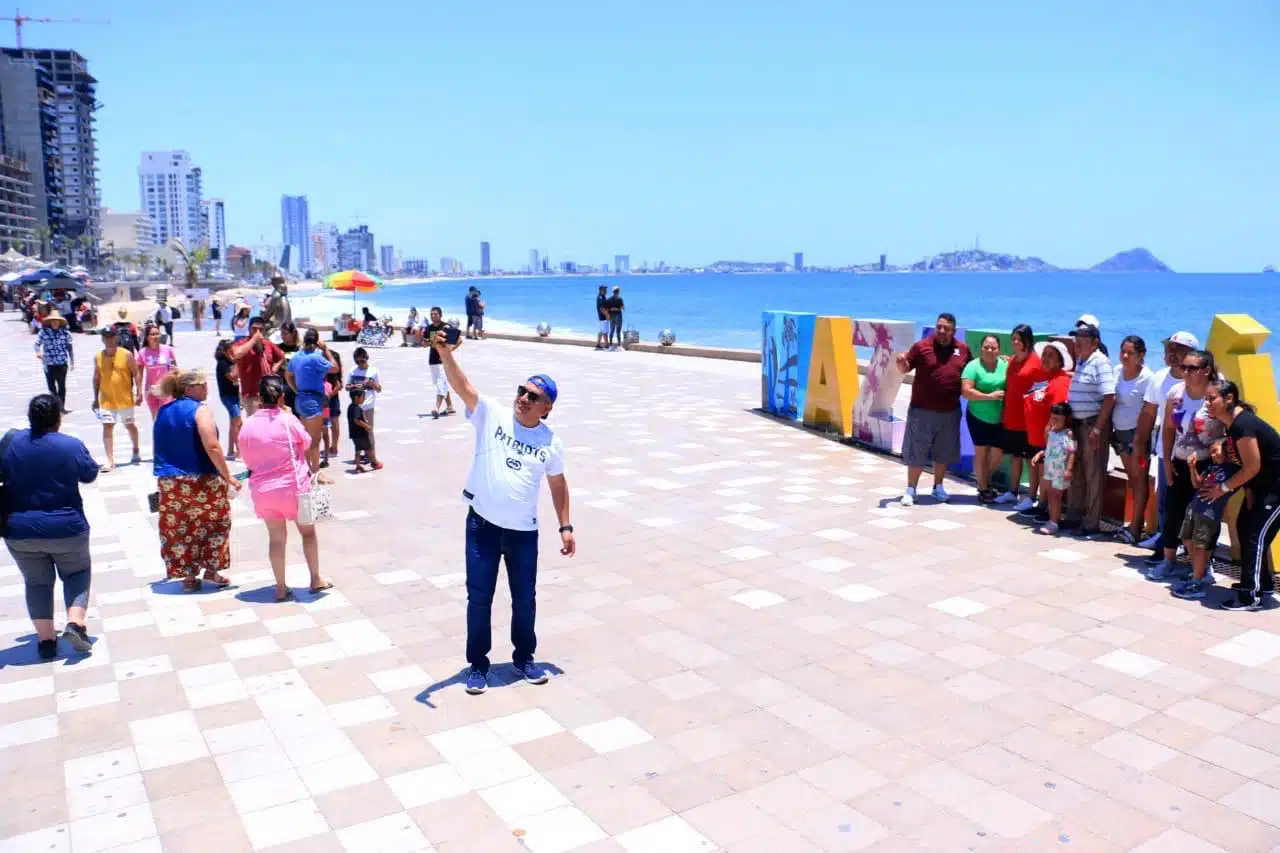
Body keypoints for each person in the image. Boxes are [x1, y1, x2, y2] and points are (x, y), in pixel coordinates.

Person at [430, 334, 574, 695]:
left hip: (523, 534)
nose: (523, 399)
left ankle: (524, 658)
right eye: (521, 391)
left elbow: (557, 484)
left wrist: (566, 526)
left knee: (524, 598)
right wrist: (444, 353)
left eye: (533, 397)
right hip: (482, 527)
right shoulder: (492, 414)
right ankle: (477, 665)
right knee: (479, 597)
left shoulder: (550, 442)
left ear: (547, 408)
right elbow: (461, 386)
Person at [1, 394, 98, 660]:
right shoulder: (70, 445)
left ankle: (45, 642)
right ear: (58, 418)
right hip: (67, 527)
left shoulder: (10, 443)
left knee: (36, 583)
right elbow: (89, 474)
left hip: (19, 530)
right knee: (77, 573)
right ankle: (75, 623)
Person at [238, 375, 332, 602]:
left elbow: (245, 454)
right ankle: (315, 579)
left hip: (264, 491)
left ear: (260, 398)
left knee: (276, 540)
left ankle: (280, 588)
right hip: (295, 487)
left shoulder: (248, 424)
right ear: (281, 398)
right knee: (308, 533)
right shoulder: (288, 420)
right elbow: (308, 443)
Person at [152, 369, 240, 592]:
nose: (206, 388)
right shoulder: (200, 410)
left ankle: (188, 577)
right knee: (217, 522)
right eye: (202, 384)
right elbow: (212, 446)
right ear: (188, 389)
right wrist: (227, 475)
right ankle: (211, 570)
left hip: (169, 481)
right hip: (201, 479)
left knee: (180, 528)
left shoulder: (163, 411)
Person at [1202, 379, 1280, 611]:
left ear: (1228, 398)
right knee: (1245, 527)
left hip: (1276, 489)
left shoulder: (1243, 425)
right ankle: (1262, 584)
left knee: (1255, 533)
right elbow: (1247, 466)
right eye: (1206, 399)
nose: (1207, 404)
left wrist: (1223, 488)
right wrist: (1250, 494)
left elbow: (1252, 466)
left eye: (1211, 398)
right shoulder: (1233, 426)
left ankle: (1249, 595)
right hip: (1263, 488)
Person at [1148, 350, 1225, 581]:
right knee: (1173, 512)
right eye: (1184, 367)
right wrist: (1168, 462)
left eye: (1192, 368)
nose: (1186, 372)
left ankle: (1204, 565)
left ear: (1206, 370)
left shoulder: (1216, 395)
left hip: (1207, 465)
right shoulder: (1175, 393)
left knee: (1206, 518)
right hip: (1179, 461)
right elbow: (1169, 429)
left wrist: (1220, 448)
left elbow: (1228, 428)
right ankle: (1169, 560)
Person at [895, 313, 972, 506]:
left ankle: (938, 487)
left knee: (943, 452)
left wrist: (1002, 360)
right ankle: (911, 489)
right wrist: (900, 363)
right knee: (917, 450)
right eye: (939, 327)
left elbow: (974, 370)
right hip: (922, 410)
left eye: (946, 328)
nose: (942, 331)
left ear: (953, 331)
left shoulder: (962, 350)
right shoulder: (922, 346)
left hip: (950, 411)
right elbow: (905, 367)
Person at [1135, 331, 1200, 553]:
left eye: (1178, 349)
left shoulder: (1204, 380)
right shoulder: (1159, 378)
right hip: (1166, 450)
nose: (1172, 353)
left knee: (1195, 504)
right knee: (1165, 499)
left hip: (1197, 454)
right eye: (1169, 348)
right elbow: (1148, 412)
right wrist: (1139, 443)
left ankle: (1191, 549)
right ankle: (1166, 541)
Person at [1063, 319, 1116, 538]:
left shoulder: (1100, 362)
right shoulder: (1082, 360)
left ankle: (1091, 523)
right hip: (1077, 424)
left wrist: (1097, 429)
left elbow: (1109, 396)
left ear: (1095, 342)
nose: (1078, 344)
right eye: (1076, 340)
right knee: (1077, 473)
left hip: (1092, 425)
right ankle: (1074, 516)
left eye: (1082, 341)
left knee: (1094, 474)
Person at [1170, 439, 1236, 600]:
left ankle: (1197, 582)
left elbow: (1235, 486)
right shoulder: (1211, 467)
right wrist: (1192, 467)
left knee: (1200, 546)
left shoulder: (1233, 470)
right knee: (1187, 539)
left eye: (1216, 451)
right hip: (1194, 508)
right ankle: (1199, 572)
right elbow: (1197, 484)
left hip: (1208, 512)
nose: (1213, 455)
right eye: (1211, 452)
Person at [1018, 342, 1074, 522]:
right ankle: (1040, 503)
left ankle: (1046, 508)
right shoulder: (1044, 377)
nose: (1046, 359)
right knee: (1039, 471)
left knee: (1047, 474)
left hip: (1047, 440)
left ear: (1060, 360)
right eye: (1045, 355)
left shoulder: (1060, 381)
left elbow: (1058, 413)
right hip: (1033, 436)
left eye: (1051, 355)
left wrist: (1048, 437)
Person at [1111, 335, 1155, 545]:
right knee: (1132, 479)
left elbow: (1151, 410)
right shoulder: (1116, 371)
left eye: (1130, 353)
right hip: (1118, 433)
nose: (1125, 356)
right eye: (1123, 351)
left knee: (1140, 481)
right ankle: (1133, 523)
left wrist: (1140, 440)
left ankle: (1137, 527)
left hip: (1137, 437)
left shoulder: (1148, 378)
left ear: (1141, 355)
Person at [995, 325, 1042, 511]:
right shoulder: (1012, 361)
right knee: (1014, 457)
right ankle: (1012, 492)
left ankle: (1031, 496)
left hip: (1029, 419)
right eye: (1013, 338)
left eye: (1018, 339)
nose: (1014, 342)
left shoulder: (1036, 362)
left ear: (1027, 341)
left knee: (1030, 460)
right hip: (1011, 417)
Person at [960, 333, 1008, 502]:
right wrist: (990, 396)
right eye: (986, 347)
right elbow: (966, 391)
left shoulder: (1005, 364)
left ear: (999, 350)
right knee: (981, 452)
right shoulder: (972, 366)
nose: (989, 350)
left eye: (993, 348)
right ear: (980, 349)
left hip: (1000, 418)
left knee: (998, 453)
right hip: (977, 416)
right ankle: (982, 488)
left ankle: (984, 479)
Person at [285, 329, 337, 481]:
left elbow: (288, 374)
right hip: (312, 400)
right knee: (314, 440)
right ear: (316, 342)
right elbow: (335, 367)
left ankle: (306, 470)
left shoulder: (297, 356)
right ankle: (315, 473)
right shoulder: (316, 357)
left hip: (300, 399)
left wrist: (296, 389)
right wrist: (326, 349)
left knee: (305, 438)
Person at [92, 327, 143, 471]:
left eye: (111, 336)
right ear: (102, 339)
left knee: (130, 425)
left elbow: (136, 373)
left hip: (125, 399)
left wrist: (139, 393)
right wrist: (95, 398)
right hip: (106, 400)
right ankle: (110, 460)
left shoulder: (126, 355)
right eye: (106, 337)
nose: (109, 339)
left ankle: (136, 449)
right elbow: (96, 378)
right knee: (107, 426)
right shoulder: (98, 357)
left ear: (116, 338)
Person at [1032, 403, 1077, 535]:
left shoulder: (1068, 434)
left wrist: (1069, 469)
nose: (1054, 421)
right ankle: (1053, 519)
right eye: (1052, 418)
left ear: (1066, 419)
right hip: (1050, 467)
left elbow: (1072, 452)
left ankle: (1054, 521)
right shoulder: (1050, 431)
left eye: (1058, 419)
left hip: (1060, 468)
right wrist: (1040, 454)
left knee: (1057, 495)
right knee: (1050, 494)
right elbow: (1049, 448)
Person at [230, 315, 286, 417]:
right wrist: (254, 339)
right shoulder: (242, 343)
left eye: (260, 329)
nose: (257, 331)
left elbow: (282, 357)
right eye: (254, 329)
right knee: (256, 422)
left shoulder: (268, 344)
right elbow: (236, 353)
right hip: (252, 395)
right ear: (249, 329)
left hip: (270, 393)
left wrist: (276, 366)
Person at [347, 347, 382, 467]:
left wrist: (372, 384)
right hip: (357, 405)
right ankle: (359, 456)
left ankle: (372, 457)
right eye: (358, 361)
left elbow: (379, 389)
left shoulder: (373, 371)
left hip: (369, 404)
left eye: (363, 360)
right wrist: (361, 384)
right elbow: (347, 387)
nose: (361, 363)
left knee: (369, 431)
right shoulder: (352, 371)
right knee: (357, 433)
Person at [34, 309, 74, 413]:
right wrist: (38, 352)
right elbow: (37, 343)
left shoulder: (66, 333)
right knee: (51, 387)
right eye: (53, 321)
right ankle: (55, 408)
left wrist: (72, 362)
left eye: (57, 321)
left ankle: (62, 407)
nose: (55, 323)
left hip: (62, 364)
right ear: (50, 322)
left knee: (62, 386)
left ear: (60, 322)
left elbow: (70, 348)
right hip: (49, 364)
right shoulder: (44, 332)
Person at [425, 307, 462, 418]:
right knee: (440, 384)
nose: (433, 316)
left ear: (440, 315)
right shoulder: (429, 328)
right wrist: (424, 342)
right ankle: (450, 407)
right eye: (431, 314)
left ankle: (436, 408)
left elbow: (459, 340)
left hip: (443, 361)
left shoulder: (445, 327)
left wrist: (450, 350)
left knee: (441, 384)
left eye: (435, 314)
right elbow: (427, 343)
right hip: (432, 360)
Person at [139, 324, 179, 419]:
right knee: (156, 419)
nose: (156, 336)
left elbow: (175, 369)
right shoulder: (142, 352)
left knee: (167, 418)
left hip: (166, 389)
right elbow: (139, 374)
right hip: (151, 390)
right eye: (153, 334)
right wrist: (139, 392)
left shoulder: (168, 350)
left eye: (157, 334)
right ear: (147, 337)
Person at [214, 339, 242, 460]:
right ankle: (240, 449)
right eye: (232, 347)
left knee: (233, 423)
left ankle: (231, 451)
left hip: (235, 395)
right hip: (227, 396)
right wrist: (237, 362)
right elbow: (232, 377)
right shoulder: (223, 363)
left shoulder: (229, 361)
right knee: (238, 420)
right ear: (226, 350)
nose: (235, 349)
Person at [322, 349, 343, 468]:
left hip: (331, 397)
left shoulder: (331, 366)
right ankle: (332, 447)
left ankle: (334, 447)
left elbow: (338, 385)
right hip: (329, 396)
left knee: (333, 421)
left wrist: (329, 394)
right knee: (332, 422)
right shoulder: (333, 361)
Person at [348, 387, 376, 471]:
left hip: (354, 434)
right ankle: (374, 463)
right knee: (369, 449)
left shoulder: (350, 407)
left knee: (358, 450)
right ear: (357, 397)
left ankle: (358, 466)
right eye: (363, 397)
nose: (364, 399)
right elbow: (356, 420)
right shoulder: (357, 408)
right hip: (360, 434)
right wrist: (366, 426)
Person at [594, 285, 609, 350]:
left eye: (606, 289)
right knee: (605, 331)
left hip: (601, 317)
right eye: (604, 290)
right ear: (600, 290)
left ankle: (598, 344)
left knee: (601, 331)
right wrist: (607, 315)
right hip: (603, 317)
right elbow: (601, 308)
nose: (606, 291)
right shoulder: (600, 297)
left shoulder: (603, 296)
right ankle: (607, 345)